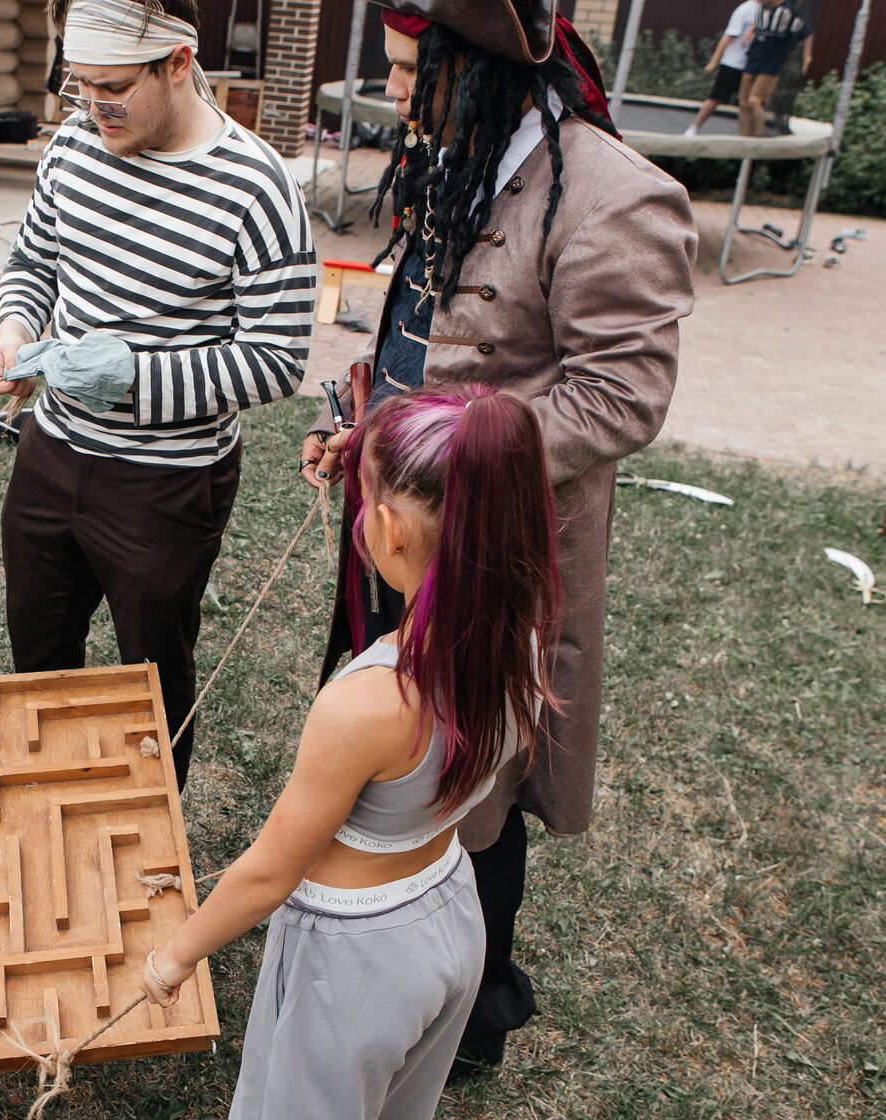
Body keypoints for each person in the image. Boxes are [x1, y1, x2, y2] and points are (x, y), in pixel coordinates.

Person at [297, 0, 696, 1078]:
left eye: (400, 71)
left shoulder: (614, 194)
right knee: (403, 747)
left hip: (494, 559)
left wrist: (435, 459)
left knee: (480, 788)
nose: (388, 92)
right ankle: (381, 927)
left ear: (474, 72)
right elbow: (426, 340)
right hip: (402, 535)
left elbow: (620, 398)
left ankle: (472, 1004)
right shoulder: (460, 158)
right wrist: (363, 429)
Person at [144, 387, 561, 1120]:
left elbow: (270, 871)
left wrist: (175, 955)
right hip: (452, 909)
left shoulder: (367, 701)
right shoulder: (520, 634)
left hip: (355, 956)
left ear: (391, 529)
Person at [0, 0, 316, 789]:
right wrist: (15, 327)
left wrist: (134, 377)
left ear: (177, 62)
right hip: (52, 449)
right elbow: (34, 262)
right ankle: (46, 809)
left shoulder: (257, 185)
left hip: (167, 482)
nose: (92, 109)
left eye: (111, 89)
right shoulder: (72, 143)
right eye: (78, 88)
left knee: (150, 682)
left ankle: (145, 851)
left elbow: (276, 360)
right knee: (38, 653)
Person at [685, 1, 760, 136]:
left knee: (746, 104)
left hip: (752, 66)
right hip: (733, 63)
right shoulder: (745, 10)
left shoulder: (770, 10)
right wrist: (714, 62)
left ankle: (747, 144)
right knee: (716, 98)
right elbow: (727, 36)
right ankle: (694, 127)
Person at [741, 0, 814, 138]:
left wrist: (807, 56)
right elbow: (760, 24)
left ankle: (759, 134)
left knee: (754, 100)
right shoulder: (761, 9)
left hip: (771, 64)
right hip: (754, 59)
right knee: (744, 102)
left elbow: (807, 33)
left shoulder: (787, 12)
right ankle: (743, 138)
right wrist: (750, 32)